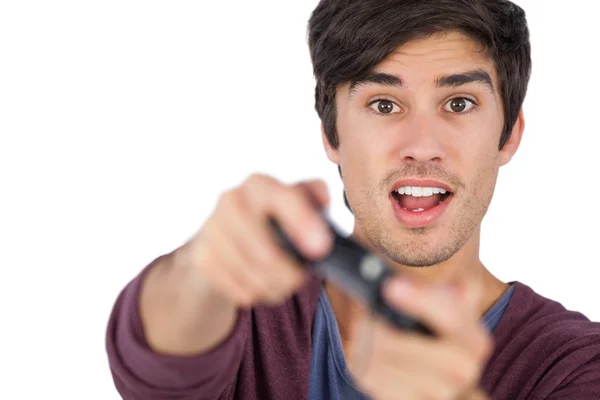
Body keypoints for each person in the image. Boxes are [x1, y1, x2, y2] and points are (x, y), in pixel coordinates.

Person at [105, 0, 600, 399]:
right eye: (384, 104)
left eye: (459, 103)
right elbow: (156, 370)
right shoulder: (249, 312)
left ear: (508, 135)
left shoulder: (574, 364)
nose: (422, 145)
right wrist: (201, 272)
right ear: (332, 133)